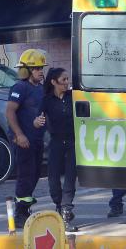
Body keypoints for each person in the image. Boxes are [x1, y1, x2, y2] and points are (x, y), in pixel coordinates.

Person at [5, 49, 47, 228]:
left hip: (36, 139)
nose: (40, 71)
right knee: (25, 175)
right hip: (23, 140)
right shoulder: (20, 87)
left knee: (36, 173)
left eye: (41, 68)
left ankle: (25, 206)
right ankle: (20, 213)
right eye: (36, 68)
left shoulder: (40, 88)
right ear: (27, 70)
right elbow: (9, 111)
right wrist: (19, 134)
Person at [40, 68, 78, 232]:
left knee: (70, 178)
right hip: (56, 143)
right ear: (54, 82)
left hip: (72, 142)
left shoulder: (72, 96)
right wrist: (37, 121)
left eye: (68, 79)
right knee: (53, 180)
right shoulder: (47, 100)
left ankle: (66, 211)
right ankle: (58, 204)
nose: (67, 82)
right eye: (63, 80)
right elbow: (38, 117)